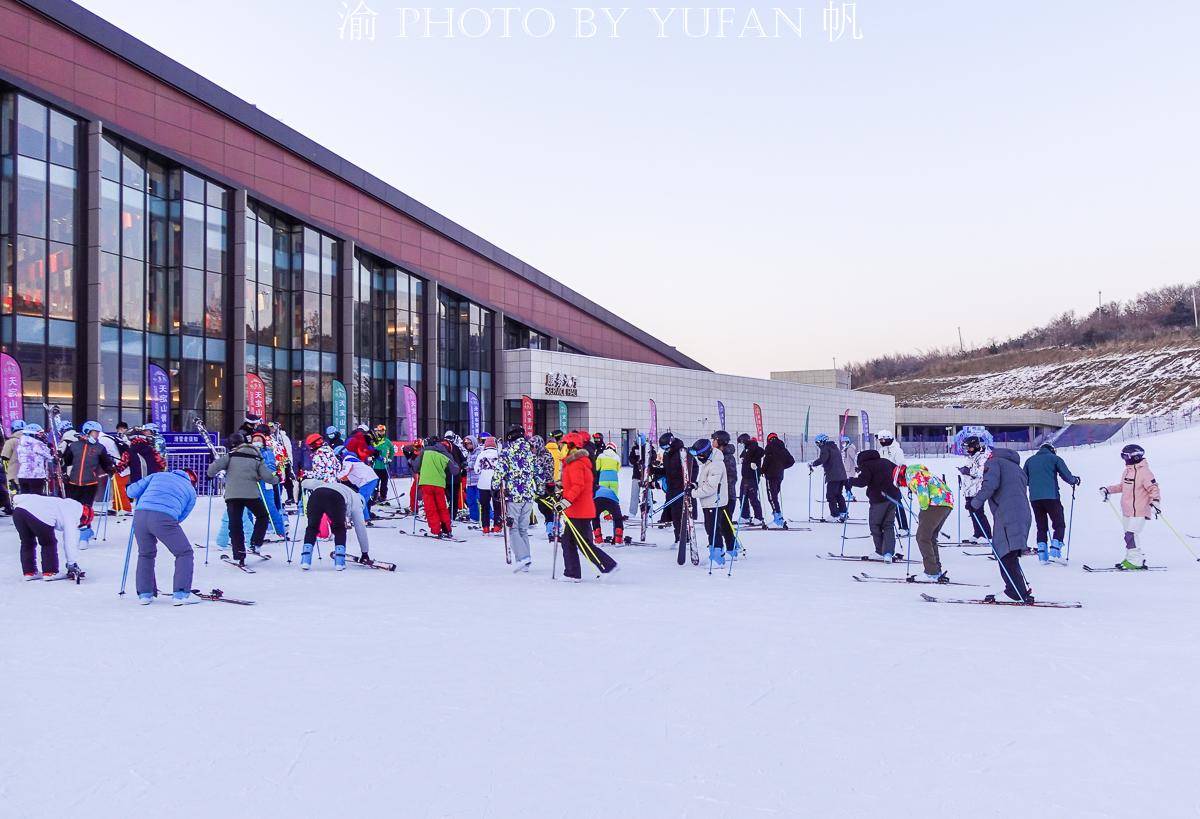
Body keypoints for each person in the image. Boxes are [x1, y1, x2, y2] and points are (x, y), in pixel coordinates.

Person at [969, 449, 1034, 602]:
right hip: (1022, 512)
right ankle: (1019, 589)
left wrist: (975, 503)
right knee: (1010, 553)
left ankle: (1015, 591)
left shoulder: (994, 462)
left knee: (1004, 552)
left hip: (1007, 513)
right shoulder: (1015, 466)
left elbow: (990, 485)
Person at [206, 432, 279, 567]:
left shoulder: (230, 456)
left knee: (235, 524)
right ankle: (255, 543)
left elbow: (213, 468)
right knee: (262, 516)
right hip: (251, 494)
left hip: (233, 496)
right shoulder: (256, 456)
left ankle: (239, 553)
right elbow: (268, 476)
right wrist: (276, 479)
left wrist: (210, 475)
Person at [128, 469, 199, 605]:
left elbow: (131, 491)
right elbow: (182, 515)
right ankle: (182, 594)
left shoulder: (158, 475)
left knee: (145, 554)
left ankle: (145, 594)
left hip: (140, 516)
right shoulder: (190, 490)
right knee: (184, 552)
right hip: (164, 518)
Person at [558, 432, 617, 580]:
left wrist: (566, 501)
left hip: (579, 510)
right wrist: (559, 488)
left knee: (583, 544)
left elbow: (578, 486)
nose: (562, 448)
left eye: (564, 445)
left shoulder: (576, 464)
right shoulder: (575, 463)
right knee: (569, 541)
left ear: (571, 447)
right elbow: (573, 484)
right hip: (577, 509)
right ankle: (572, 573)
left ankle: (607, 565)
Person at [1103, 443, 1161, 570]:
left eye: (1126, 456)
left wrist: (1155, 502)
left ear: (1135, 456)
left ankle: (1135, 561)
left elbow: (1153, 488)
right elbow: (1122, 487)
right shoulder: (1127, 471)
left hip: (1139, 510)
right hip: (1127, 510)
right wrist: (1108, 490)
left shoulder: (1145, 472)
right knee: (1129, 536)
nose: (1124, 459)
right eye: (1123, 456)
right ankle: (1133, 557)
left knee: (1131, 534)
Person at [1024, 442, 1081, 563]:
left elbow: (1025, 480)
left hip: (1035, 498)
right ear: (1052, 450)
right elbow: (1066, 476)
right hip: (1051, 497)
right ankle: (1055, 551)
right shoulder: (1055, 459)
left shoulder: (1029, 460)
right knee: (1059, 524)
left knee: (1041, 526)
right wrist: (1075, 480)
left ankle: (1042, 555)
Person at [299, 476, 370, 570]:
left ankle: (305, 560)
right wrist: (365, 553)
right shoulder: (357, 503)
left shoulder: (331, 484)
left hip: (316, 495)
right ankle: (339, 562)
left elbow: (305, 483)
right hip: (336, 498)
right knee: (339, 528)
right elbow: (361, 529)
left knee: (312, 527)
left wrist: (304, 479)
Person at [494, 427, 540, 570]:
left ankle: (523, 558)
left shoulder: (507, 452)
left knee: (513, 528)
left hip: (514, 496)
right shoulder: (530, 452)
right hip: (528, 496)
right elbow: (537, 472)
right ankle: (526, 558)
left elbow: (500, 471)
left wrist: (495, 486)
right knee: (523, 529)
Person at [898, 463, 954, 581]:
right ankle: (936, 569)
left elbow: (922, 491)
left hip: (935, 503)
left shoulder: (912, 474)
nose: (902, 486)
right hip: (946, 503)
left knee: (922, 537)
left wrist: (923, 510)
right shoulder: (921, 472)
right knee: (930, 537)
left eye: (899, 483)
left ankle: (931, 572)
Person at [12, 492, 85, 580]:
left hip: (19, 511)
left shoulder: (63, 504)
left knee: (27, 542)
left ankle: (30, 572)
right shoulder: (72, 514)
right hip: (40, 514)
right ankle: (50, 572)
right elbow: (70, 540)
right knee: (48, 542)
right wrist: (71, 563)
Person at [848, 449, 903, 562]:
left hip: (879, 499)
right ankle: (888, 553)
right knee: (888, 525)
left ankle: (879, 551)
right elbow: (897, 472)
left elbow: (863, 482)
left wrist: (851, 481)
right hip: (893, 497)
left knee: (875, 525)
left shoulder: (866, 465)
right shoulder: (886, 461)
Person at [60, 420, 116, 529]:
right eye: (96, 432)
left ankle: (85, 531)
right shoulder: (74, 445)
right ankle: (73, 528)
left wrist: (110, 469)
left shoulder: (99, 447)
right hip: (73, 483)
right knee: (74, 507)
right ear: (87, 431)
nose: (98, 435)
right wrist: (64, 473)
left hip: (90, 483)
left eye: (98, 432)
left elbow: (105, 463)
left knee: (86, 508)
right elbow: (66, 462)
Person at [690, 438, 731, 565]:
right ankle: (730, 549)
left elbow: (711, 488)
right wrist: (695, 485)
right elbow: (706, 482)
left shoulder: (716, 464)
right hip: (711, 502)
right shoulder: (710, 462)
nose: (699, 458)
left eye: (700, 455)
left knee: (712, 529)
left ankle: (717, 557)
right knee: (716, 527)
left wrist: (693, 493)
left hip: (714, 501)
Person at [655, 432, 696, 551]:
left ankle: (685, 538)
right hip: (672, 488)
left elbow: (694, 467)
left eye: (666, 447)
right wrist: (655, 471)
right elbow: (668, 470)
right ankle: (678, 537)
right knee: (674, 514)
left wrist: (691, 482)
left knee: (680, 514)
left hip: (682, 488)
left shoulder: (683, 452)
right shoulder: (668, 455)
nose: (665, 450)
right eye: (663, 448)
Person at [415, 435, 456, 538]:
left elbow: (415, 467)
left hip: (426, 483)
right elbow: (455, 470)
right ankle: (447, 528)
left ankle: (436, 530)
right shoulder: (445, 454)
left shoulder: (424, 452)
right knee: (442, 507)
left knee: (430, 508)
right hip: (439, 484)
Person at [958, 435, 992, 543]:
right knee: (972, 512)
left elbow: (981, 472)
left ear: (976, 446)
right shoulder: (971, 456)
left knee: (979, 512)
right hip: (969, 489)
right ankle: (977, 533)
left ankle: (986, 534)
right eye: (966, 448)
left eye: (969, 447)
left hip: (978, 489)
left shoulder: (982, 456)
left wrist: (967, 471)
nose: (968, 450)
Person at [810, 433, 848, 522]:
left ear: (823, 441)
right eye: (816, 443)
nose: (818, 445)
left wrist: (813, 463)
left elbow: (823, 459)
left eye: (818, 442)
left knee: (830, 496)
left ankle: (835, 515)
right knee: (838, 494)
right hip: (841, 475)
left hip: (834, 476)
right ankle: (843, 512)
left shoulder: (825, 448)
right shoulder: (834, 447)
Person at [761, 432, 795, 528]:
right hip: (779, 475)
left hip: (770, 475)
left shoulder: (769, 447)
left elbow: (766, 461)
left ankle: (778, 518)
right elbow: (791, 461)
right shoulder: (782, 448)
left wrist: (761, 470)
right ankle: (777, 515)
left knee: (772, 497)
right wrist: (782, 467)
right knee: (775, 496)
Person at [877, 431, 908, 531]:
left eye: (883, 439)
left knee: (897, 503)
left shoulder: (897, 450)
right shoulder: (881, 450)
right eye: (880, 440)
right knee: (883, 503)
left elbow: (901, 465)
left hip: (893, 481)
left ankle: (904, 527)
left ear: (889, 438)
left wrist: (896, 479)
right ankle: (884, 526)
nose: (881, 442)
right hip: (882, 481)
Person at [712, 431, 738, 545]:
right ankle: (724, 544)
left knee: (725, 524)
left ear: (720, 441)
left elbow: (731, 477)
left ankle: (732, 547)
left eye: (714, 440)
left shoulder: (726, 458)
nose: (712, 442)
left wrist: (721, 488)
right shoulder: (718, 456)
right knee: (720, 523)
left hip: (727, 496)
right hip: (721, 496)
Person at [474, 436, 501, 533]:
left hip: (483, 484)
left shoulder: (481, 455)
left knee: (484, 506)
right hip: (496, 484)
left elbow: (476, 470)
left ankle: (485, 527)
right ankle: (497, 526)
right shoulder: (499, 454)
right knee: (497, 506)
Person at [736, 433, 765, 526]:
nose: (741, 444)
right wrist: (743, 458)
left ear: (745, 440)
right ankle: (745, 516)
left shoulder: (754, 447)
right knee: (742, 497)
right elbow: (744, 455)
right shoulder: (747, 448)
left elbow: (761, 452)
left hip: (752, 477)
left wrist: (755, 463)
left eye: (742, 442)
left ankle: (759, 517)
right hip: (745, 477)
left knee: (753, 498)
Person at [16, 424, 52, 495]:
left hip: (22, 475)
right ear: (33, 434)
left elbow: (20, 459)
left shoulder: (20, 444)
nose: (41, 435)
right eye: (40, 433)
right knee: (36, 500)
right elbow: (50, 456)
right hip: (36, 475)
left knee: (25, 499)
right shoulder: (37, 443)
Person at [462, 435, 481, 522]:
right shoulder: (469, 453)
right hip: (470, 481)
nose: (468, 445)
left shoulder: (479, 452)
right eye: (466, 444)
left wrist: (467, 465)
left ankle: (487, 517)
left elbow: (478, 464)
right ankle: (474, 517)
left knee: (480, 500)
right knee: (471, 500)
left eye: (470, 443)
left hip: (478, 480)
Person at [840, 435, 859, 502]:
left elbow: (854, 458)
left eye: (844, 442)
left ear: (847, 442)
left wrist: (857, 466)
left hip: (850, 469)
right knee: (846, 483)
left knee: (848, 483)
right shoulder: (845, 449)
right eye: (842, 442)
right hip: (846, 469)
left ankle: (849, 495)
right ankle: (849, 494)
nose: (843, 444)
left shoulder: (850, 448)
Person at [627, 442, 644, 516]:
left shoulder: (649, 448)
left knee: (647, 495)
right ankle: (632, 512)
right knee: (634, 495)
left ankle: (648, 511)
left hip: (646, 475)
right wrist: (636, 461)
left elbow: (652, 457)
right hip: (636, 475)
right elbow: (631, 459)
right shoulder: (634, 449)